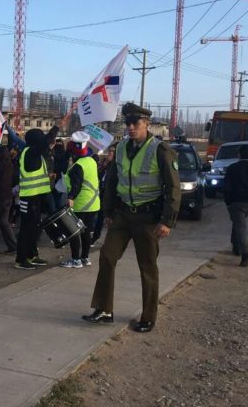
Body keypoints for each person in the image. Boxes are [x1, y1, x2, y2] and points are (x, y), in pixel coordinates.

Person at [83, 103, 180, 333]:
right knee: (107, 256)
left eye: (135, 123)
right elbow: (113, 182)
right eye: (127, 123)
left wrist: (167, 221)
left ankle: (148, 317)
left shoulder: (160, 150)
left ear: (147, 124)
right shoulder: (122, 148)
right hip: (124, 215)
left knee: (147, 266)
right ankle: (104, 309)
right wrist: (108, 212)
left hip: (148, 218)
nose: (130, 127)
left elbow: (173, 187)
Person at [14, 125, 59, 270]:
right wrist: (56, 129)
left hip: (36, 197)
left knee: (34, 228)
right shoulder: (30, 152)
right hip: (28, 198)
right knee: (26, 229)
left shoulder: (35, 154)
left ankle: (32, 255)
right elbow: (44, 143)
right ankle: (21, 259)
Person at [59, 131, 100, 269]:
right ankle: (85, 258)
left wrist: (70, 198)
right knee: (87, 231)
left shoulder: (78, 165)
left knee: (74, 231)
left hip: (81, 204)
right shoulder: (92, 161)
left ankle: (75, 259)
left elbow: (76, 185)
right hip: (93, 203)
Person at [92, 143, 117, 245]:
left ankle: (112, 240)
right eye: (109, 151)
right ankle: (95, 237)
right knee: (100, 216)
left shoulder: (117, 165)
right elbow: (98, 175)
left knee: (112, 218)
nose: (110, 153)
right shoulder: (105, 163)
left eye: (113, 151)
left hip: (113, 195)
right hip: (103, 192)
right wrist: (104, 165)